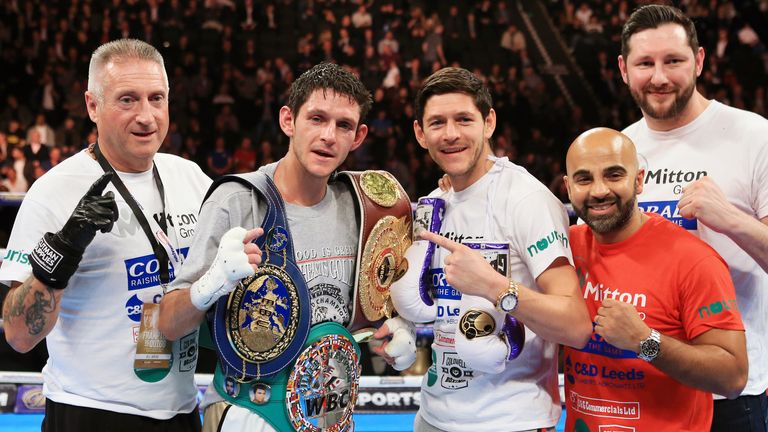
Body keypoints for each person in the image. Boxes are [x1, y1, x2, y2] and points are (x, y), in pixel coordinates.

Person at [158, 62, 415, 432]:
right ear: (288, 121)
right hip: (251, 413)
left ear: (357, 137)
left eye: (343, 125)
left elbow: (369, 315)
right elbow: (167, 324)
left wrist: (399, 329)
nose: (328, 135)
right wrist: (211, 283)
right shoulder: (238, 201)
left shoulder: (364, 208)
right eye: (316, 118)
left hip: (332, 414)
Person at [0, 39, 211, 431]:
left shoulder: (192, 178)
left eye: (157, 98)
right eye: (127, 100)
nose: (146, 116)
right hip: (89, 412)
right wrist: (61, 252)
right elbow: (17, 336)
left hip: (181, 411)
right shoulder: (54, 191)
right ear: (92, 106)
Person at [394, 66, 592, 432]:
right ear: (420, 134)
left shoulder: (526, 199)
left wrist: (496, 287)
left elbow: (576, 326)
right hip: (432, 417)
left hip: (512, 421)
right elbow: (433, 306)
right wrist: (398, 329)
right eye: (437, 123)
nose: (451, 134)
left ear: (489, 123)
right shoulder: (431, 205)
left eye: (464, 119)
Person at [617, 5, 768, 430]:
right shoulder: (621, 149)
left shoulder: (755, 137)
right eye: (645, 63)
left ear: (699, 61)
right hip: (639, 384)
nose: (659, 77)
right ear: (623, 69)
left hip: (728, 392)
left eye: (674, 61)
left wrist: (731, 220)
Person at [562, 127, 747, 431]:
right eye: (585, 179)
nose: (598, 190)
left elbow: (733, 378)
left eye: (614, 175)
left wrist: (645, 341)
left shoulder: (692, 260)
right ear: (569, 187)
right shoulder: (566, 248)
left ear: (638, 181)